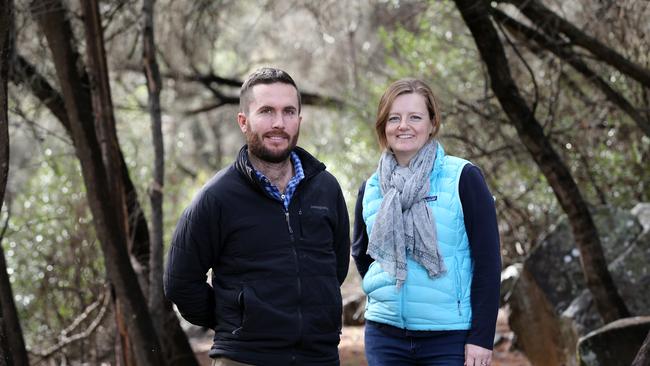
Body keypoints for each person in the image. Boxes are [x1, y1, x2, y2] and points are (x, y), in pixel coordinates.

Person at [164, 67, 350, 366]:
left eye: (289, 111)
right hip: (244, 359)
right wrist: (237, 317)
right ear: (243, 121)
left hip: (319, 357)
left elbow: (335, 268)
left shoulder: (326, 188)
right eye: (266, 111)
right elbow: (179, 282)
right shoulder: (217, 197)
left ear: (299, 120)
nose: (279, 123)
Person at [352, 79, 501, 366]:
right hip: (385, 337)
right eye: (394, 118)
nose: (403, 126)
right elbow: (362, 254)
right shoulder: (370, 188)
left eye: (415, 117)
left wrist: (482, 337)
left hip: (449, 338)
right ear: (384, 126)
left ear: (432, 123)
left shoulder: (463, 178)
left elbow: (488, 262)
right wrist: (385, 291)